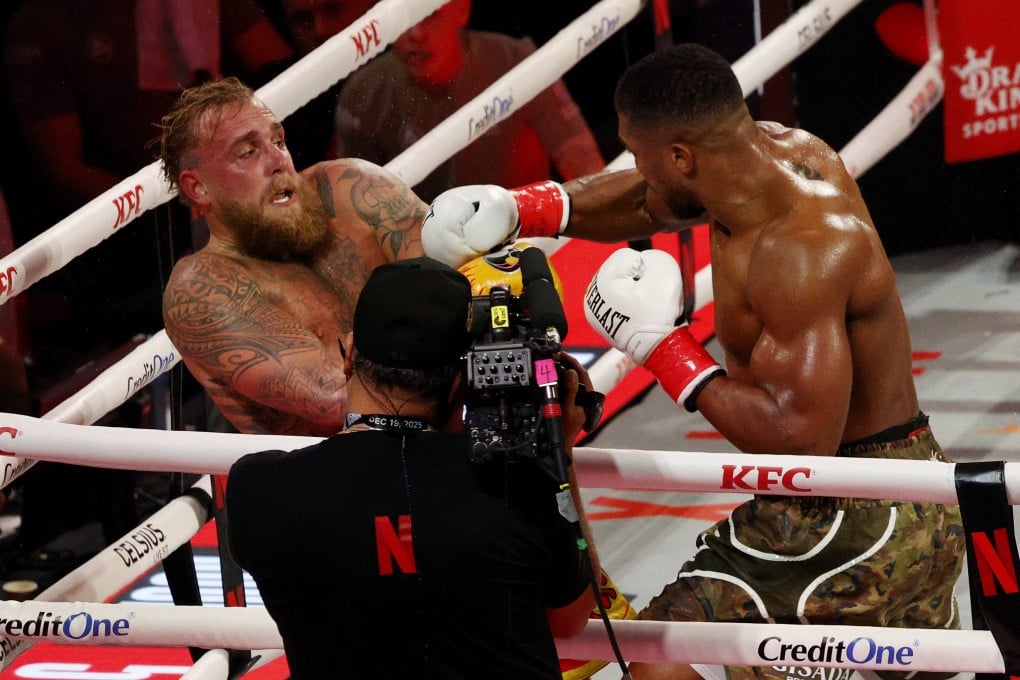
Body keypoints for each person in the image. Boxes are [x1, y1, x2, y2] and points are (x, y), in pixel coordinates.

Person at [419, 43, 965, 680]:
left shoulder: (800, 251)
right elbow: (650, 199)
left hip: (846, 514)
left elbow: (800, 440)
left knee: (658, 656)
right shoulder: (771, 158)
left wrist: (665, 348)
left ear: (682, 157)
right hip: (917, 492)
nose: (637, 170)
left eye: (641, 156)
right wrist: (524, 208)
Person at [225, 256, 598, 679]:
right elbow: (571, 618)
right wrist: (559, 453)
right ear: (464, 378)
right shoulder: (519, 480)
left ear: (349, 355)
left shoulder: (256, 490)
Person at [334, 0, 606, 202]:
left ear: (461, 10)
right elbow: (357, 205)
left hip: (525, 235)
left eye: (429, 15)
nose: (416, 34)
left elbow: (582, 161)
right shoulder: (362, 95)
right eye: (402, 20)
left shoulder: (516, 61)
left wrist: (608, 230)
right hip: (427, 249)